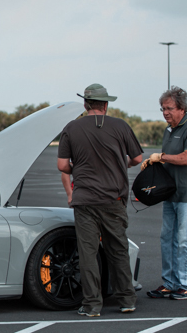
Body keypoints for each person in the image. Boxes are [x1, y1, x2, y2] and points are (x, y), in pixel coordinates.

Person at [57, 84, 143, 317]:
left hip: (85, 200)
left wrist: (81, 166)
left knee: (88, 253)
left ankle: (92, 304)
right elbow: (137, 158)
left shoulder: (71, 128)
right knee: (118, 250)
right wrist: (118, 163)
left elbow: (63, 166)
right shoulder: (121, 126)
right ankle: (127, 299)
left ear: (85, 104)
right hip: (113, 199)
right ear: (106, 104)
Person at [142, 86, 187, 300]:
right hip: (169, 193)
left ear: (182, 108)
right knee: (167, 238)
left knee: (186, 239)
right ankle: (170, 283)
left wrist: (161, 157)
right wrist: (152, 165)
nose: (165, 113)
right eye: (162, 109)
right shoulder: (168, 130)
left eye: (169, 108)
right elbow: (166, 160)